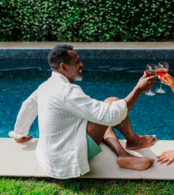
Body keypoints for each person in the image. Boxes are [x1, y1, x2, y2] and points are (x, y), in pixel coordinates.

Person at [9, 45, 157, 179]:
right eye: (77, 61)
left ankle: (123, 152)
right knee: (111, 104)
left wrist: (19, 134)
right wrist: (138, 90)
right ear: (64, 66)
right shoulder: (67, 91)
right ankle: (133, 141)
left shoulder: (46, 85)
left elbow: (27, 106)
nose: (81, 64)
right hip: (68, 161)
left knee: (103, 108)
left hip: (51, 157)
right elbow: (112, 116)